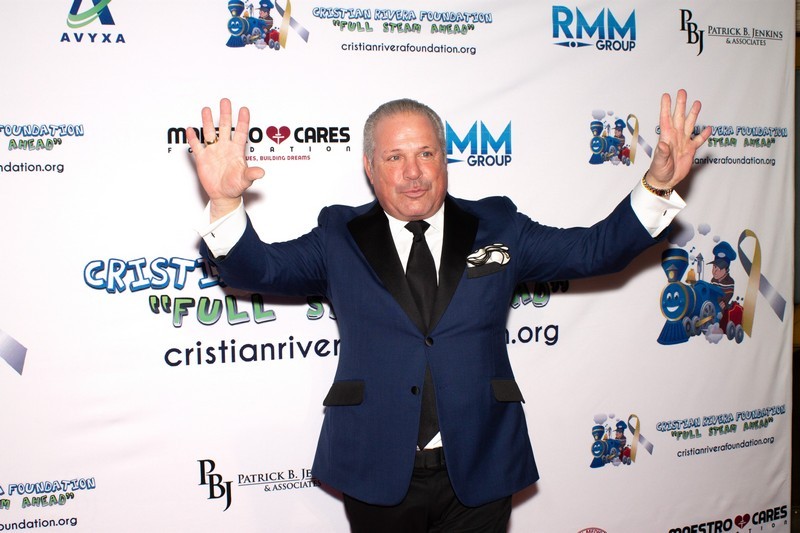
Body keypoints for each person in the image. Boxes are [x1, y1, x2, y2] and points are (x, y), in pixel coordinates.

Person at [187, 91, 711, 532]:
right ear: (369, 167)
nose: (413, 173)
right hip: (375, 463)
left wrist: (657, 185)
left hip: (481, 461)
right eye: (394, 158)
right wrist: (226, 204)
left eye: (426, 153)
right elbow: (261, 270)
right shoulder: (338, 235)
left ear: (445, 159)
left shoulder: (499, 226)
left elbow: (594, 251)